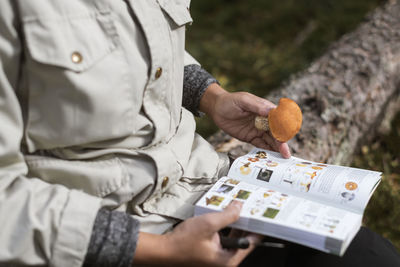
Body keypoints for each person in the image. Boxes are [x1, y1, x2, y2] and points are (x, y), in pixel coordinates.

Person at [0, 1, 399, 267]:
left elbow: (142, 45)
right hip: (100, 236)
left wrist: (212, 98)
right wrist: (160, 250)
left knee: (373, 258)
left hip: (201, 183)